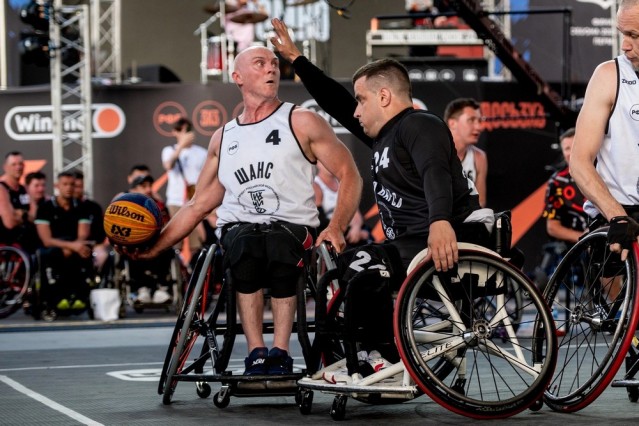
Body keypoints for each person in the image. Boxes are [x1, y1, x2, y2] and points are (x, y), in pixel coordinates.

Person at [127, 46, 362, 375]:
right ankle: (256, 352)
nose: (272, 69)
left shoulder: (302, 121)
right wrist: (154, 248)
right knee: (246, 243)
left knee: (277, 243)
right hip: (240, 231)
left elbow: (350, 174)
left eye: (274, 64)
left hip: (292, 229)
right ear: (237, 77)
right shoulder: (223, 137)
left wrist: (336, 226)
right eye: (260, 63)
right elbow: (197, 205)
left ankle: (280, 351)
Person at [271, 18, 494, 274]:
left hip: (445, 234)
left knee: (356, 273)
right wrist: (296, 59)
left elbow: (435, 172)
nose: (356, 111)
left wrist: (440, 221)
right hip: (410, 242)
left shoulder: (419, 124)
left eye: (361, 100)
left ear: (384, 97)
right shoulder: (385, 135)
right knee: (336, 270)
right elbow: (337, 103)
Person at [570, 0, 639, 261]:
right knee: (616, 274)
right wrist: (616, 215)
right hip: (616, 209)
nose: (624, 45)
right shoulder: (608, 76)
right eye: (622, 34)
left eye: (634, 35)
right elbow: (579, 162)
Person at [35, 171, 93, 317]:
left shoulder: (82, 207)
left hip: (76, 247)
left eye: (72, 184)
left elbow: (83, 234)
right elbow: (46, 240)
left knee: (85, 251)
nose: (69, 188)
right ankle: (56, 297)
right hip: (54, 247)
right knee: (53, 254)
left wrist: (75, 247)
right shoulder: (45, 207)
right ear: (57, 186)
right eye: (65, 184)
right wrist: (70, 246)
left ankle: (80, 296)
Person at [161, 117, 208, 255]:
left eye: (188, 130)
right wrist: (181, 146)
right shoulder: (169, 150)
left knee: (196, 242)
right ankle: (178, 268)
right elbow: (168, 165)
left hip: (195, 201)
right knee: (175, 241)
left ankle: (193, 267)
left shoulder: (202, 152)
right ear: (174, 132)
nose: (185, 133)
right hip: (175, 201)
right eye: (180, 130)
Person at [542, 128, 588, 245]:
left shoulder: (603, 173)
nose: (571, 152)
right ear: (562, 152)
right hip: (575, 246)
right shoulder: (557, 181)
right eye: (567, 148)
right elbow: (552, 227)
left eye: (574, 146)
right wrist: (585, 239)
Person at [444, 98, 488, 207]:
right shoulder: (434, 153)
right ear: (452, 123)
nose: (479, 127)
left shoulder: (479, 157)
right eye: (471, 120)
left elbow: (480, 202)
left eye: (479, 120)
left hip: (466, 216)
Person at [314, 162, 370, 246]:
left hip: (350, 234)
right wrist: (352, 232)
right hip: (333, 237)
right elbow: (321, 222)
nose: (329, 164)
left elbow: (356, 215)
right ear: (317, 163)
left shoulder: (343, 183)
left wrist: (356, 228)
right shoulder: (316, 185)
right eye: (323, 161)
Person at [0, 151, 30, 249]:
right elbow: (10, 223)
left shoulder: (24, 189)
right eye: (14, 164)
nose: (18, 167)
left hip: (24, 242)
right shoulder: (2, 188)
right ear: (5, 167)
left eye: (20, 164)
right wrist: (25, 216)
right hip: (6, 246)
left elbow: (35, 216)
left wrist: (21, 214)